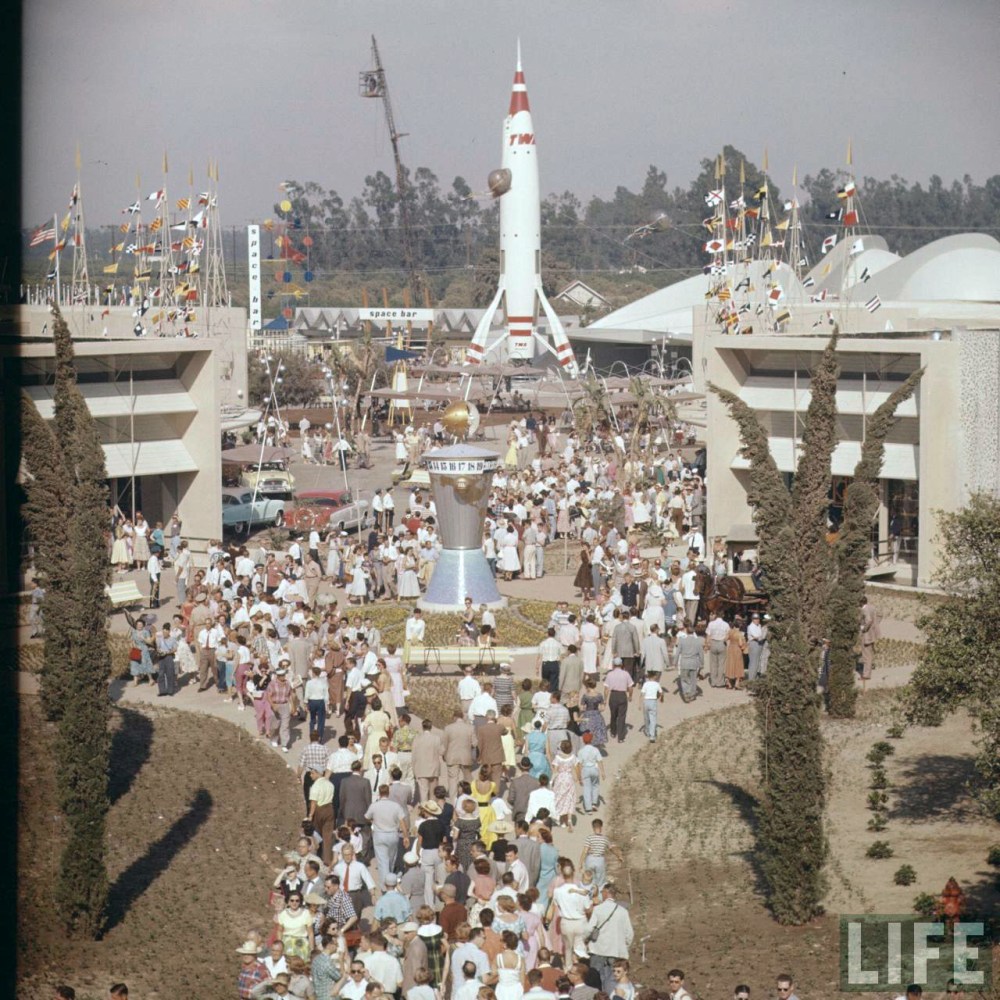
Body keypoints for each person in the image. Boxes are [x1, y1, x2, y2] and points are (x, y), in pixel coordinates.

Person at [274, 892, 314, 961]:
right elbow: (279, 931)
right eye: (292, 900)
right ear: (288, 902)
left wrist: (312, 949)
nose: (294, 903)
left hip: (301, 943)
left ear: (300, 902)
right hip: (287, 943)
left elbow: (310, 933)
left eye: (297, 900)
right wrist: (280, 946)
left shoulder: (306, 913)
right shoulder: (283, 914)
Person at [603, 659, 633, 744]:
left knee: (613, 715)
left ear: (613, 665)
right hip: (622, 695)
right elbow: (631, 687)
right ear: (621, 664)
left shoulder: (610, 674)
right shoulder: (626, 674)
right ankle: (621, 737)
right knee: (622, 716)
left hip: (613, 695)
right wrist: (630, 696)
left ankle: (613, 731)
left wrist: (605, 699)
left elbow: (606, 688)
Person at [550, 740, 578, 829]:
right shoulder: (573, 757)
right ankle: (569, 820)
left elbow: (555, 771)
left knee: (560, 798)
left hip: (560, 778)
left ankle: (561, 820)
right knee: (569, 798)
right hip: (569, 778)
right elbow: (576, 767)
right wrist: (578, 778)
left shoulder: (558, 758)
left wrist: (551, 781)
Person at [675, 620, 703, 703]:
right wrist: (702, 663)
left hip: (684, 662)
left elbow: (678, 652)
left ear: (686, 631)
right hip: (694, 662)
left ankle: (686, 693)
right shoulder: (697, 641)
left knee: (684, 679)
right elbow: (701, 653)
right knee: (693, 679)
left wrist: (675, 662)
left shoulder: (682, 640)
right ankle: (692, 694)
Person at [575, 733, 604, 814]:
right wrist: (603, 772)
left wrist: (579, 776)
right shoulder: (595, 750)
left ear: (583, 741)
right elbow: (600, 761)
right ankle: (594, 803)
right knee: (595, 785)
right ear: (591, 740)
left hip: (585, 770)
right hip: (594, 769)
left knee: (587, 788)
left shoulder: (581, 751)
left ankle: (588, 808)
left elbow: (579, 764)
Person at [639, 671, 663, 742]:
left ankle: (647, 731)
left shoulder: (645, 684)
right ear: (654, 676)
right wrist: (661, 698)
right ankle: (652, 736)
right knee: (653, 718)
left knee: (646, 718)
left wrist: (639, 704)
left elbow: (642, 694)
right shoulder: (657, 684)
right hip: (653, 701)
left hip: (646, 701)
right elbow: (661, 692)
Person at [725, 617, 747, 691]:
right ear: (740, 626)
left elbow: (725, 638)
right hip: (737, 649)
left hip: (731, 648)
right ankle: (737, 683)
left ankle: (728, 682)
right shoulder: (739, 634)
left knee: (730, 664)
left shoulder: (730, 631)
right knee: (738, 665)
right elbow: (740, 644)